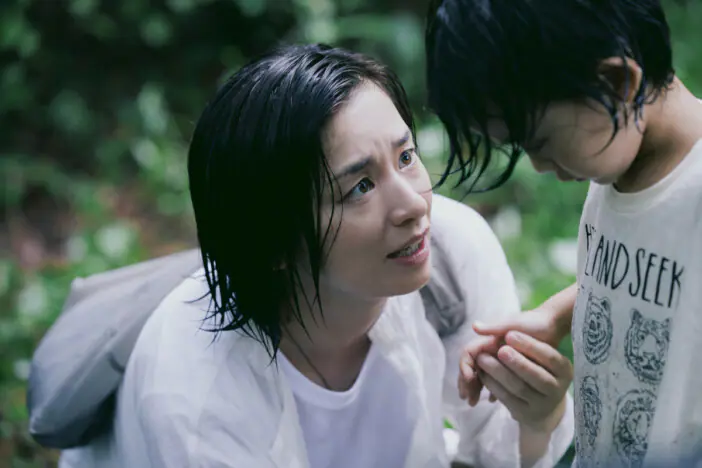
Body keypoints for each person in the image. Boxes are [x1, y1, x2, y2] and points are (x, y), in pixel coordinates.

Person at [57, 44, 573, 467]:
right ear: (275, 240)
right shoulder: (197, 401)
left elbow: (497, 451)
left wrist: (537, 419)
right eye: (360, 187)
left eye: (406, 156)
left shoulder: (449, 253)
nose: (415, 205)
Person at [425, 0, 702, 466]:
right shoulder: (616, 156)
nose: (540, 166)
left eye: (543, 144)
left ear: (616, 83)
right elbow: (668, 277)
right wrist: (555, 316)